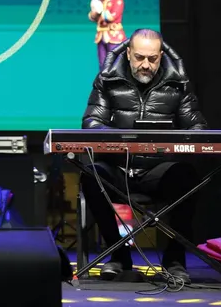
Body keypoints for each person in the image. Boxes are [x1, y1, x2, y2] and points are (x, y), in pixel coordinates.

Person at [81, 28, 208, 283]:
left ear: (161, 56)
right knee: (91, 176)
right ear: (128, 53)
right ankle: (118, 255)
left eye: (152, 58)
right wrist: (124, 139)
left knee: (187, 177)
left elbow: (197, 127)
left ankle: (174, 261)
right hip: (117, 170)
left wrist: (173, 142)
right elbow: (91, 122)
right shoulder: (107, 79)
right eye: (139, 57)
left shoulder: (178, 83)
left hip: (158, 172)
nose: (146, 65)